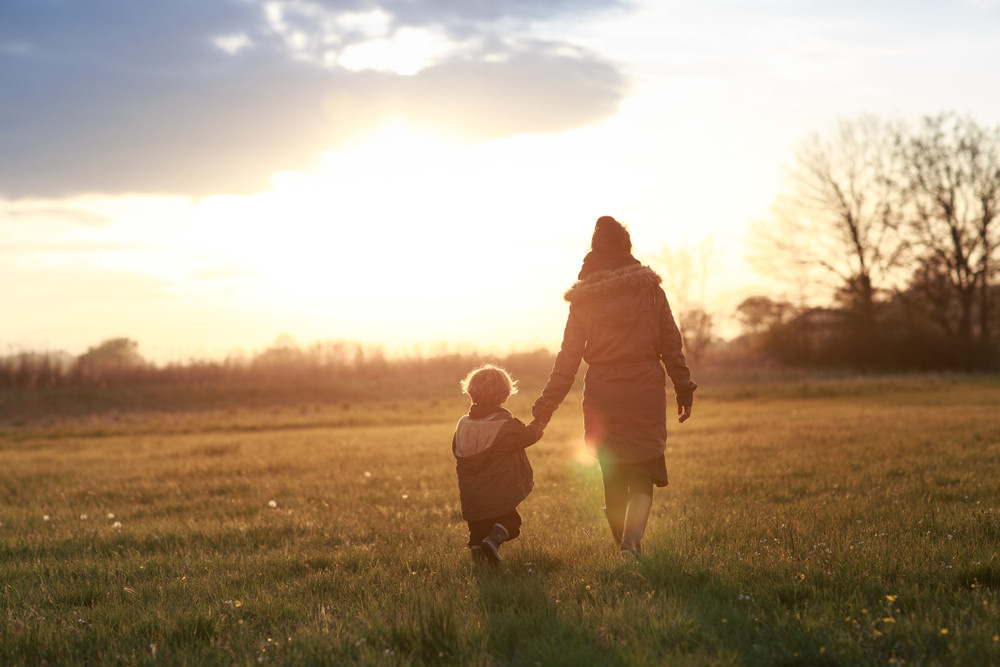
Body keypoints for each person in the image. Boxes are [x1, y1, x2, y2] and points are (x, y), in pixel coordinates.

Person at [531, 216, 696, 557]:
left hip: (603, 392)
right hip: (644, 389)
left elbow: (568, 360)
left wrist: (543, 409)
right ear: (627, 247)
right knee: (645, 469)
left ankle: (624, 540)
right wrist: (683, 389)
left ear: (595, 250)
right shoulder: (651, 291)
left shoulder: (584, 301)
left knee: (612, 471)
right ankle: (632, 539)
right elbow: (671, 345)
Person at [453, 364, 544, 565]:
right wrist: (540, 421)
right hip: (498, 496)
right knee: (512, 522)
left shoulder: (462, 425)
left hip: (471, 497)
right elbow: (529, 436)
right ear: (504, 397)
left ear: (471, 394)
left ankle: (479, 558)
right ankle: (493, 541)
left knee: (476, 530)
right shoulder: (506, 427)